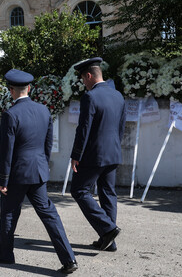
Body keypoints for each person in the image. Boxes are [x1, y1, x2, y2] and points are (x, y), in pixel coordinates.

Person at [0, 70, 77, 274]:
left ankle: (6, 254)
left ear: (11, 91)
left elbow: (6, 150)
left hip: (17, 173)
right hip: (38, 170)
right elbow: (47, 143)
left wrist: (3, 178)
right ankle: (69, 258)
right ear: (30, 88)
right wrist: (43, 165)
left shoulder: (10, 114)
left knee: (9, 213)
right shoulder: (44, 110)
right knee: (49, 215)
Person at [69, 57, 126, 252]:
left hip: (94, 154)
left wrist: (76, 154)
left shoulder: (90, 97)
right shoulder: (117, 95)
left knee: (79, 190)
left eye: (84, 79)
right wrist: (115, 148)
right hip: (113, 153)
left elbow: (83, 129)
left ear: (89, 75)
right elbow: (121, 127)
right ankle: (109, 240)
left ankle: (108, 229)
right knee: (108, 194)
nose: (84, 83)